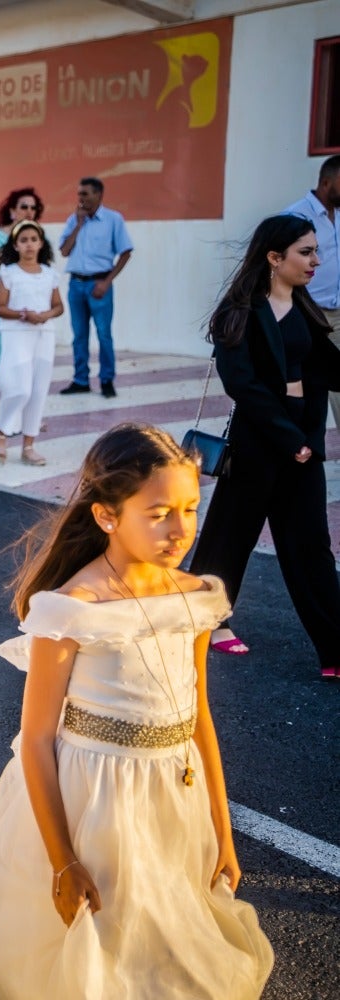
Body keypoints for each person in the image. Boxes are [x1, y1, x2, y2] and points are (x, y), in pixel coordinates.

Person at [0, 424, 272, 999]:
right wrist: (64, 861)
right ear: (107, 517)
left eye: (190, 509)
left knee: (156, 948)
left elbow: (198, 717)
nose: (179, 529)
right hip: (92, 801)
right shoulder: (72, 608)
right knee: (91, 947)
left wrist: (223, 829)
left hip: (172, 796)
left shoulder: (194, 595)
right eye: (159, 512)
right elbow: (38, 737)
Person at [187, 214, 340, 674]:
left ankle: (335, 649)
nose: (316, 260)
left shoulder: (306, 310)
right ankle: (207, 622)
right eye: (305, 252)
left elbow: (326, 371)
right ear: (275, 258)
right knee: (229, 539)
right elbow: (243, 385)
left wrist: (304, 439)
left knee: (312, 546)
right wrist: (288, 436)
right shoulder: (238, 313)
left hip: (302, 443)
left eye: (316, 250)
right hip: (257, 440)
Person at [0, 220, 64, 466]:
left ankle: (29, 445)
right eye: (24, 240)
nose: (29, 244)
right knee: (19, 387)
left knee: (38, 390)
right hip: (16, 334)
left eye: (34, 239)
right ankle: (1, 430)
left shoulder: (49, 273)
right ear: (16, 245)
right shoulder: (8, 272)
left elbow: (58, 306)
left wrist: (45, 316)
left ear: (41, 243)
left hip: (44, 335)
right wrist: (24, 314)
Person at [58, 177, 133, 398]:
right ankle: (81, 379)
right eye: (79, 194)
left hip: (99, 284)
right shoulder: (74, 220)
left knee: (103, 335)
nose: (80, 198)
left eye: (85, 194)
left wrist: (107, 282)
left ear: (99, 194)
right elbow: (64, 251)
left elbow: (126, 252)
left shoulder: (113, 219)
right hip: (76, 284)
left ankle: (107, 380)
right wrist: (79, 225)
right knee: (79, 335)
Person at [283, 156, 340, 427]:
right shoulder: (297, 216)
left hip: (338, 313)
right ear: (327, 182)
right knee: (310, 387)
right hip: (309, 316)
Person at [0, 188, 46, 423]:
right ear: (12, 211)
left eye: (33, 207)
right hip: (5, 299)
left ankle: (26, 410)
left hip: (33, 299)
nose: (29, 211)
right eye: (24, 207)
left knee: (30, 354)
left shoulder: (39, 237)